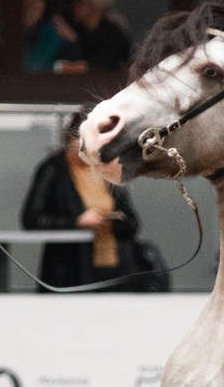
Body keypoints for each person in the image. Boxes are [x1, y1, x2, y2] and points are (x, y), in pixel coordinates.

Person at [21, 112, 143, 290]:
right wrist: (77, 222)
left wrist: (117, 221)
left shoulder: (108, 169)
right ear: (71, 138)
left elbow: (133, 223)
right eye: (84, 139)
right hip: (70, 271)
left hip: (115, 269)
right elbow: (31, 219)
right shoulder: (54, 169)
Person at [55, 0, 132, 72]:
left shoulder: (112, 34)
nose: (74, 6)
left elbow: (95, 66)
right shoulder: (79, 30)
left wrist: (74, 41)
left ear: (92, 6)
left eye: (80, 2)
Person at [22, 0, 64, 72]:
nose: (33, 2)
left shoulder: (52, 31)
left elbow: (32, 65)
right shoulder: (10, 27)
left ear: (45, 3)